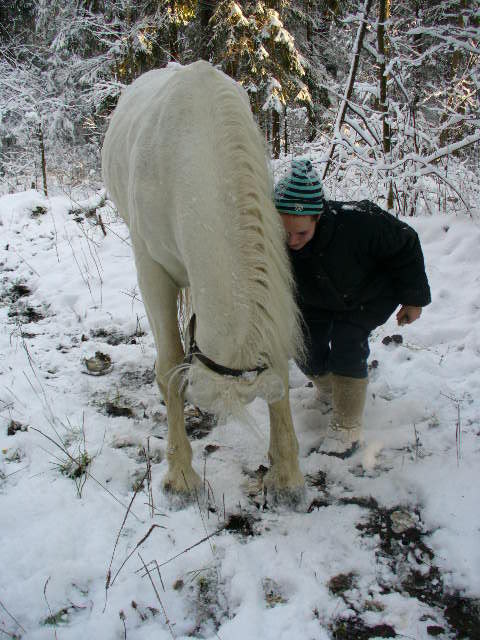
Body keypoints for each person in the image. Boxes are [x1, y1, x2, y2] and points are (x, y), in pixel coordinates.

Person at [274, 158, 431, 456]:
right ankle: (332, 388)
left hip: (366, 296)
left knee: (348, 344)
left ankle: (347, 426)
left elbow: (406, 245)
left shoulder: (361, 222)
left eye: (301, 233)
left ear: (317, 216)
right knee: (304, 346)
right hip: (313, 298)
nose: (292, 241)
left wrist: (414, 299)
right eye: (285, 233)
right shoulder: (273, 235)